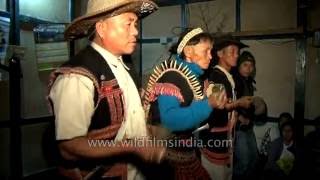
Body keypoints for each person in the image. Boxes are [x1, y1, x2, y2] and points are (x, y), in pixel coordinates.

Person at [46, 0, 165, 179]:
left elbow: (125, 121)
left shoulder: (125, 66)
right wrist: (132, 147)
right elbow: (69, 148)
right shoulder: (77, 77)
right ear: (102, 28)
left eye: (135, 24)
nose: (135, 31)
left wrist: (146, 131)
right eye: (128, 24)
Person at [142, 27, 227, 179]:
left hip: (186, 154)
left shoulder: (192, 78)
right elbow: (170, 120)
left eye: (211, 51)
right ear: (188, 52)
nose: (210, 56)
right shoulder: (172, 76)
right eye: (205, 51)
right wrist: (208, 105)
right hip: (168, 161)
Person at [199, 35, 253, 180]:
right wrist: (238, 103)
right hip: (214, 141)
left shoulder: (228, 77)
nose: (236, 55)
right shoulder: (215, 76)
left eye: (237, 52)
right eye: (232, 51)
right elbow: (216, 106)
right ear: (220, 54)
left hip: (225, 141)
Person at [232, 51, 259, 180]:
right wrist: (239, 117)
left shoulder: (248, 82)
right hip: (238, 129)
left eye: (251, 65)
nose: (248, 68)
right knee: (244, 162)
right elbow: (228, 103)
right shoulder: (234, 81)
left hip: (248, 128)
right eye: (245, 65)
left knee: (254, 159)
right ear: (239, 66)